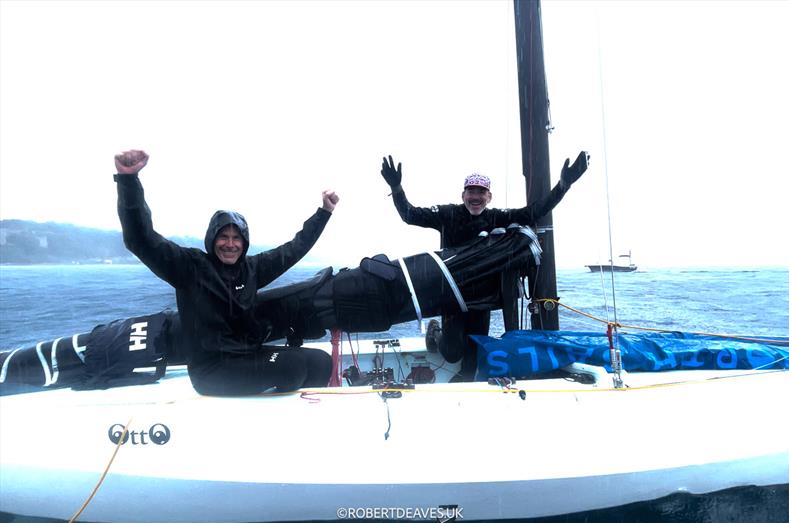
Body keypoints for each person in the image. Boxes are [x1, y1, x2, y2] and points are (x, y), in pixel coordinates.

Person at [114, 149, 339, 396]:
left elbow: (295, 248)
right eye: (223, 236)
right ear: (212, 239)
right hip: (211, 370)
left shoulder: (251, 269)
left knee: (321, 361)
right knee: (292, 368)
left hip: (248, 357)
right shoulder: (189, 267)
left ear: (244, 243)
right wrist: (128, 181)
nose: (230, 244)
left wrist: (324, 213)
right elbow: (140, 239)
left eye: (236, 238)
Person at [380, 152, 589, 381]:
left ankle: (465, 389)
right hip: (452, 294)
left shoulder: (496, 218)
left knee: (474, 355)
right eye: (471, 191)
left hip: (482, 297)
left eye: (481, 192)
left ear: (489, 197)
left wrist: (563, 185)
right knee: (451, 353)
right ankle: (435, 332)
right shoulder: (448, 214)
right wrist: (397, 187)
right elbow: (409, 214)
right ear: (463, 195)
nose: (476, 196)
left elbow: (534, 212)